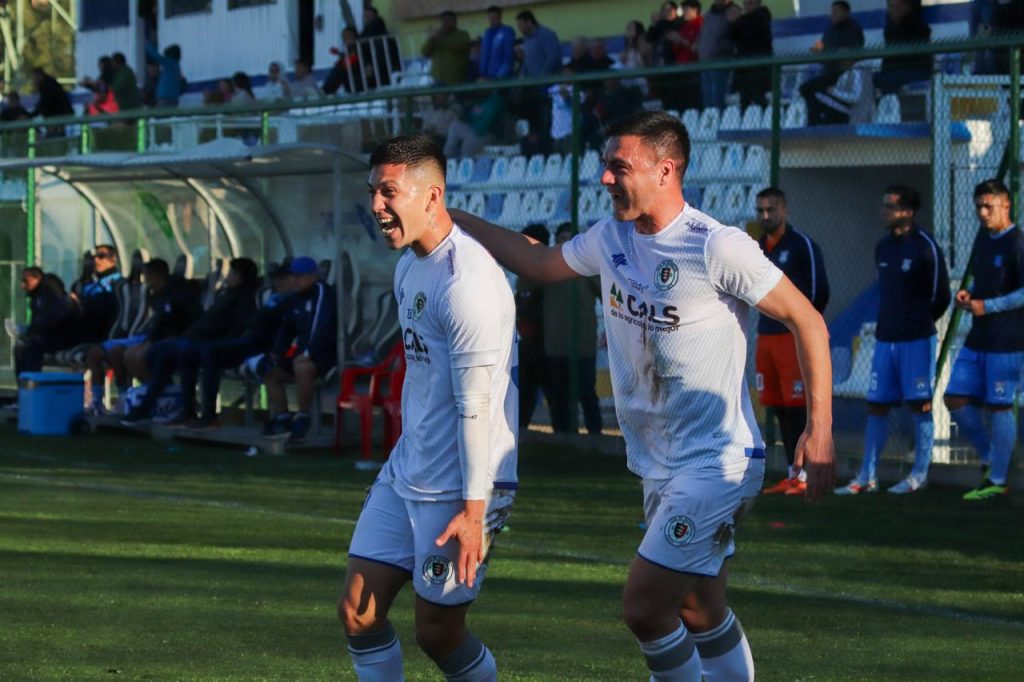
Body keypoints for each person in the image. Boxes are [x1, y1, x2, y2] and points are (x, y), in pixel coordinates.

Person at [453, 111, 834, 682]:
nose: (606, 179)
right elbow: (538, 261)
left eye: (618, 167)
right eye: (605, 166)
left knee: (644, 609)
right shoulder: (611, 238)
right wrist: (455, 219)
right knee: (698, 608)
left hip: (716, 463)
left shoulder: (716, 247)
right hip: (660, 465)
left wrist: (819, 428)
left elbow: (809, 321)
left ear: (666, 169)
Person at [340, 135, 518, 681]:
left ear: (432, 195)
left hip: (463, 486)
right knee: (358, 614)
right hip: (407, 471)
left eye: (388, 191)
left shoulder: (468, 285)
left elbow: (476, 407)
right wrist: (399, 460)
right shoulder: (409, 267)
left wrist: (474, 511)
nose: (376, 205)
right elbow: (424, 381)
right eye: (373, 191)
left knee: (437, 633)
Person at [836, 185, 950, 496]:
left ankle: (919, 475)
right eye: (883, 204)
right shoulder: (883, 247)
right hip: (885, 340)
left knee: (920, 405)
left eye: (891, 206)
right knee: (876, 406)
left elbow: (941, 295)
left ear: (909, 212)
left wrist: (916, 322)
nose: (884, 210)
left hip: (916, 340)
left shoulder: (926, 246)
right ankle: (867, 476)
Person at [944, 179, 1024, 500]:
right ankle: (991, 458)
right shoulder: (984, 240)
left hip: (1008, 340)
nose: (982, 211)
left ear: (1006, 205)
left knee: (1000, 406)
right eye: (978, 205)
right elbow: (982, 279)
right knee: (954, 397)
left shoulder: (1018, 242)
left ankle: (998, 480)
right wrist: (970, 294)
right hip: (978, 337)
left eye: (988, 205)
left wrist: (987, 305)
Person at [754, 188, 830, 496]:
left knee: (799, 407)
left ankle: (811, 473)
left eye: (771, 209)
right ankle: (792, 473)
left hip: (791, 337)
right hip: (766, 336)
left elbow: (818, 292)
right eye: (760, 210)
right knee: (780, 407)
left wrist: (802, 329)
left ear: (784, 209)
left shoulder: (803, 246)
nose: (765, 216)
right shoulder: (757, 247)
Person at [121, 258, 259, 425]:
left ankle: (198, 412)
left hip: (214, 343)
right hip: (197, 339)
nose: (227, 277)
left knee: (181, 351)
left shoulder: (245, 297)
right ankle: (179, 409)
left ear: (240, 276)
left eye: (231, 273)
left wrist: (218, 339)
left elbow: (237, 325)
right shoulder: (226, 294)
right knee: (168, 353)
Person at [185, 264, 293, 428]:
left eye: (282, 279)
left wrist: (275, 350)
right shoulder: (272, 297)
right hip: (249, 339)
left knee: (211, 352)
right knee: (196, 352)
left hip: (262, 345)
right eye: (276, 279)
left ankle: (208, 415)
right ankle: (191, 411)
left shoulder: (295, 301)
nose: (278, 282)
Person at [260, 257, 337, 443]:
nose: (294, 280)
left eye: (299, 276)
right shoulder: (294, 298)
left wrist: (309, 353)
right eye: (292, 276)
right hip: (302, 353)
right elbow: (286, 329)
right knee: (270, 372)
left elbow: (321, 327)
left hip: (324, 355)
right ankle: (283, 418)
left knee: (301, 365)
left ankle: (303, 416)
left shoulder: (322, 293)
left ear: (312, 277)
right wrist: (277, 353)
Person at [540, 223, 603, 435]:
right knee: (558, 396)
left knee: (586, 393)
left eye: (570, 239)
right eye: (561, 239)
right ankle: (562, 438)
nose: (564, 244)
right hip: (555, 346)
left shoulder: (587, 267)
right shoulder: (546, 267)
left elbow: (607, 294)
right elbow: (524, 287)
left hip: (582, 346)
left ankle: (595, 437)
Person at [13, 267, 79, 377]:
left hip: (62, 337)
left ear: (37, 278)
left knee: (31, 347)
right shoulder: (36, 295)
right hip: (48, 336)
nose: (23, 285)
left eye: (26, 281)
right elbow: (38, 321)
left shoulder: (50, 292)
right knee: (20, 347)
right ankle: (23, 384)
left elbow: (51, 320)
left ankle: (31, 382)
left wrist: (32, 334)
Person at [516, 224, 551, 428]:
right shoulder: (523, 273)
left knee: (556, 397)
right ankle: (520, 432)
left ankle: (567, 438)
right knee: (524, 396)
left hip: (547, 346)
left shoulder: (549, 270)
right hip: (528, 345)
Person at [800, 1, 865, 107]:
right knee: (805, 89)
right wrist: (816, 50)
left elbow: (848, 55)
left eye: (836, 11)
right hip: (828, 71)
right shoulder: (829, 30)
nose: (832, 14)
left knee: (810, 88)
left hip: (843, 74)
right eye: (832, 11)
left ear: (846, 13)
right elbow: (819, 46)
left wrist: (831, 53)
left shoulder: (854, 29)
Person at [873, 0, 931, 96]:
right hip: (896, 70)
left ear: (907, 7)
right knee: (872, 78)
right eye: (891, 7)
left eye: (898, 6)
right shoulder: (890, 29)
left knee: (889, 80)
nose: (894, 10)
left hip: (916, 68)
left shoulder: (916, 26)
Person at [728, 0, 773, 108]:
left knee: (758, 96)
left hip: (757, 67)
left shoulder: (760, 17)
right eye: (746, 3)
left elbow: (749, 35)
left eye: (750, 3)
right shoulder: (743, 21)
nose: (747, 6)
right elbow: (731, 35)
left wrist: (737, 20)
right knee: (744, 98)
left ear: (758, 3)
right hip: (744, 67)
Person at [697, 0, 738, 109]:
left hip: (721, 61)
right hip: (704, 62)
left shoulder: (733, 11)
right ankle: (710, 121)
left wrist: (718, 50)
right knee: (707, 96)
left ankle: (720, 119)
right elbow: (703, 36)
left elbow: (732, 36)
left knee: (719, 95)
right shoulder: (709, 14)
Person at [421, 10, 472, 86]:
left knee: (460, 98)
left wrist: (440, 37)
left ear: (455, 21)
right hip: (438, 78)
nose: (445, 23)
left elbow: (457, 46)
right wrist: (431, 39)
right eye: (443, 20)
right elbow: (424, 52)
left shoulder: (462, 35)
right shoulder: (437, 37)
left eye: (448, 20)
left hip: (457, 78)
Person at [479, 5, 516, 80]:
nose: (492, 20)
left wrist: (500, 76)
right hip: (487, 77)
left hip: (503, 78)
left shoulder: (507, 32)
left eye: (494, 17)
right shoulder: (487, 33)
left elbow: (508, 56)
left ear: (500, 17)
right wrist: (482, 73)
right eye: (490, 18)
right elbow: (484, 55)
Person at [323, 28, 364, 95]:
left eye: (348, 36)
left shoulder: (360, 48)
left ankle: (325, 91)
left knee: (340, 68)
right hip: (350, 79)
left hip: (358, 78)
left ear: (355, 36)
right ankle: (325, 90)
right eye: (344, 36)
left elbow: (353, 61)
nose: (346, 38)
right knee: (339, 67)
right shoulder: (348, 51)